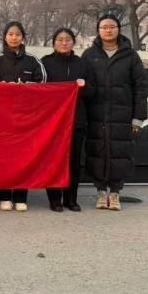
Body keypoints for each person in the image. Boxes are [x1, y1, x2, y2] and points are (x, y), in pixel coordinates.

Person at [82, 14, 148, 211]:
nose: (108, 30)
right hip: (96, 114)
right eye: (104, 27)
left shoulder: (130, 55)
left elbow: (140, 87)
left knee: (120, 153)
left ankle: (115, 193)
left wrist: (138, 117)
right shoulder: (89, 55)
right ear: (98, 30)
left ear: (118, 29)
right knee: (97, 152)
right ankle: (101, 193)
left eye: (112, 26)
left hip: (122, 114)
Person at [0, 21, 46, 212]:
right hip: (2, 117)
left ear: (23, 37)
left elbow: (43, 85)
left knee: (23, 157)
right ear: (5, 37)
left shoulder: (33, 61)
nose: (14, 38)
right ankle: (4, 197)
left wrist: (27, 87)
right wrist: (5, 87)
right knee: (2, 157)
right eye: (10, 34)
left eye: (18, 34)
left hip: (26, 117)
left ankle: (21, 196)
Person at [41, 27, 94, 212]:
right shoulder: (45, 62)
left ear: (73, 42)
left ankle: (71, 199)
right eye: (60, 39)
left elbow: (92, 92)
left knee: (73, 161)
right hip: (52, 121)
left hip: (76, 120)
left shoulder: (82, 64)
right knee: (53, 160)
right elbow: (39, 91)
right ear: (54, 43)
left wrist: (83, 87)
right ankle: (54, 199)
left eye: (68, 39)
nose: (64, 43)